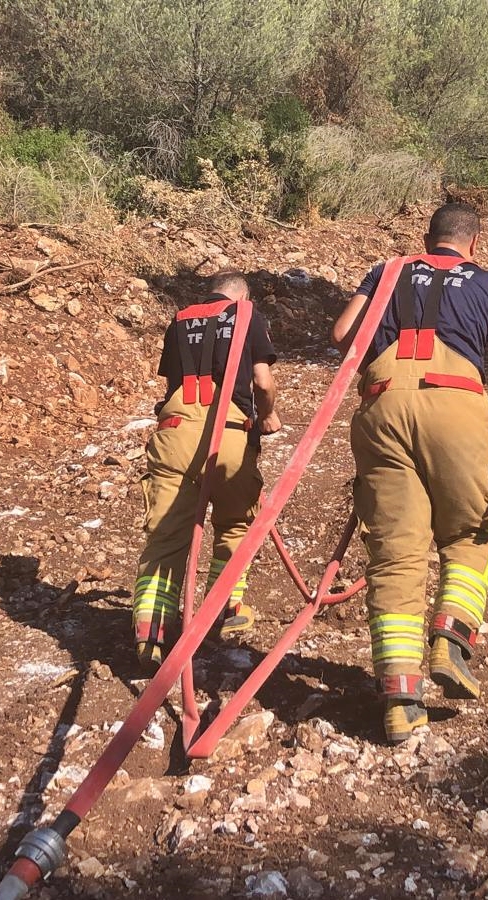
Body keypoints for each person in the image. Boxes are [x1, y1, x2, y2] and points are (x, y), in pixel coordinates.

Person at [332, 202, 488, 743]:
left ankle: (401, 700)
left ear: (426, 239)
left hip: (382, 408)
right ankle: (450, 636)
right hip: (456, 405)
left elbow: (343, 335)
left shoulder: (386, 272)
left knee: (395, 554)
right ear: (474, 243)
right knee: (472, 535)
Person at [132, 271, 281, 672]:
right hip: (228, 432)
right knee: (236, 522)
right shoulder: (248, 314)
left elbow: (173, 384)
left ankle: (151, 633)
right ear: (241, 295)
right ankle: (225, 607)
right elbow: (262, 382)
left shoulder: (180, 319)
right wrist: (268, 417)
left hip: (175, 432)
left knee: (165, 535)